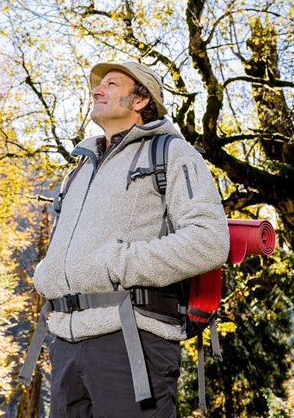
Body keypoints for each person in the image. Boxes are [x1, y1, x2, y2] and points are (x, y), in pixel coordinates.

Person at [31, 61, 230, 417]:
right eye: (98, 85)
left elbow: (209, 240)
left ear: (140, 100)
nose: (96, 90)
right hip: (65, 345)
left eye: (110, 83)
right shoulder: (78, 170)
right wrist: (47, 274)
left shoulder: (171, 153)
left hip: (131, 342)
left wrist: (118, 262)